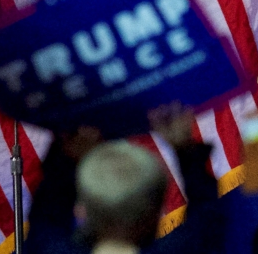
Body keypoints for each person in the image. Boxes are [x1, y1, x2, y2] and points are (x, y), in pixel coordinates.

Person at [24, 104, 227, 254]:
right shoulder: (191, 246)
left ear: (81, 210)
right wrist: (185, 150)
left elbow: (47, 216)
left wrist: (66, 159)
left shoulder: (47, 247)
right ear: (156, 212)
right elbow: (207, 215)